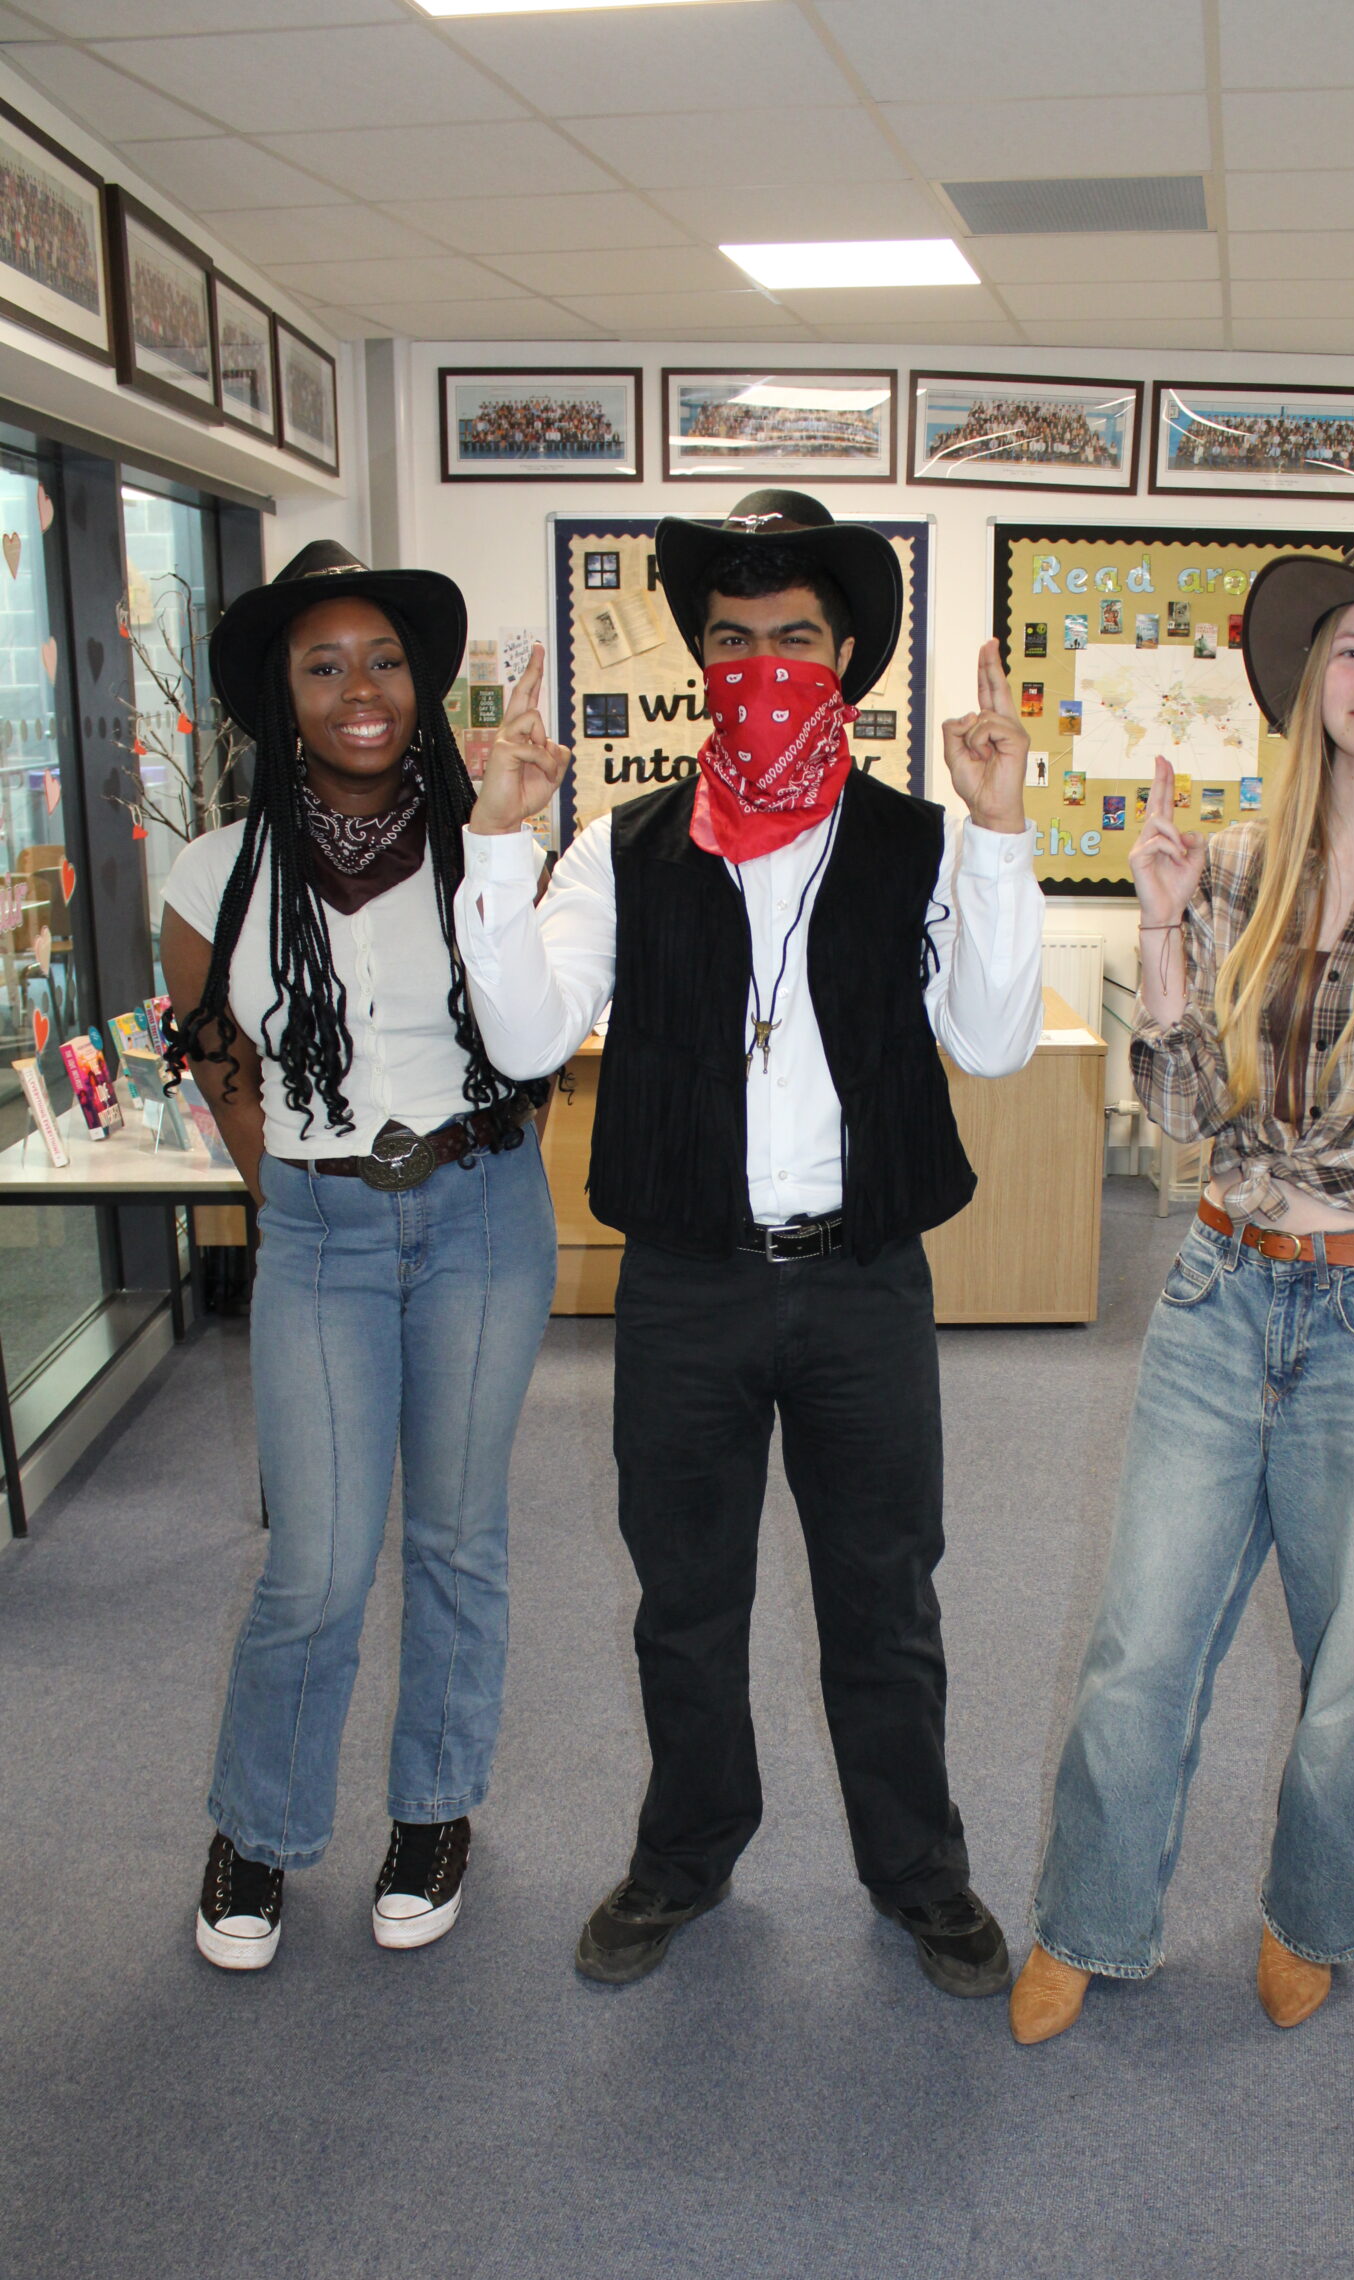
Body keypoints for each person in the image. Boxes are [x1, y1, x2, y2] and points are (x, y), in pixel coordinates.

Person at [454, 489, 1044, 1998]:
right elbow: (522, 1034)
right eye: (731, 640)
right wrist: (497, 838)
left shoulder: (918, 843)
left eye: (792, 638)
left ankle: (918, 1872)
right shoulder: (622, 849)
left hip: (861, 1284)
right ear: (699, 660)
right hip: (687, 1287)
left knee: (884, 1602)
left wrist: (998, 834)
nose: (761, 665)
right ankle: (686, 1853)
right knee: (686, 1602)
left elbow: (989, 1043)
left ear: (843, 659)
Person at [1009, 539, 1354, 2047]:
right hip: (1218, 1297)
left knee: (1349, 1668)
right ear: (1311, 684)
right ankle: (1088, 1919)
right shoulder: (1237, 865)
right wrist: (1163, 925)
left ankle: (1309, 1913)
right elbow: (1184, 1114)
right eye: (1351, 650)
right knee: (1139, 1646)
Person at [161, 542, 558, 1971]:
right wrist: (298, 1192)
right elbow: (219, 1060)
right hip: (320, 1231)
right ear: (282, 696)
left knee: (456, 1536)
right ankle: (258, 1831)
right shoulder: (214, 873)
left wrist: (467, 1163)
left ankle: (434, 1813)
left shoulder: (492, 845)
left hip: (481, 1219)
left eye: (383, 659)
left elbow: (531, 1038)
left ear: (421, 681)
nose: (360, 688)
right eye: (322, 666)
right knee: (318, 1564)